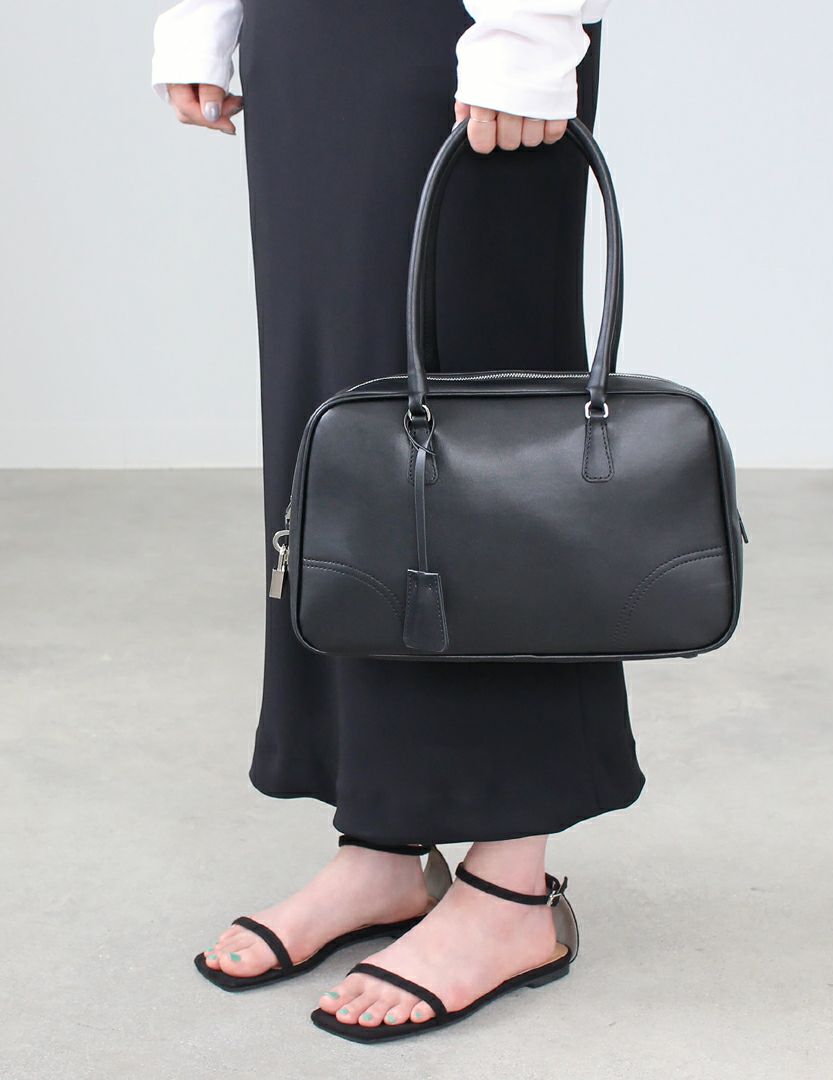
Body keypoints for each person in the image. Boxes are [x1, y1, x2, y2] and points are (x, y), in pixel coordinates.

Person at [151, 0, 644, 1043]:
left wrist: (532, 27)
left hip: (457, 27)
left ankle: (511, 886)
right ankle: (382, 841)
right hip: (308, 35)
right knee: (338, 416)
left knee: (479, 424)